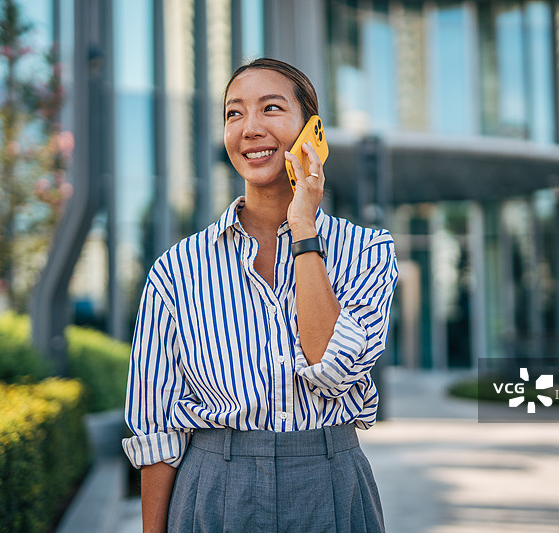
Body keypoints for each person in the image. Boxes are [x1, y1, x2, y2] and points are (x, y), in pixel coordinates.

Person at [122, 57, 398, 533]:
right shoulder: (178, 269)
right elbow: (156, 427)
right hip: (213, 487)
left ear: (312, 131)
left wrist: (304, 227)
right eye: (234, 113)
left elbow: (331, 365)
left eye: (271, 109)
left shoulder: (367, 252)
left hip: (330, 481)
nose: (250, 128)